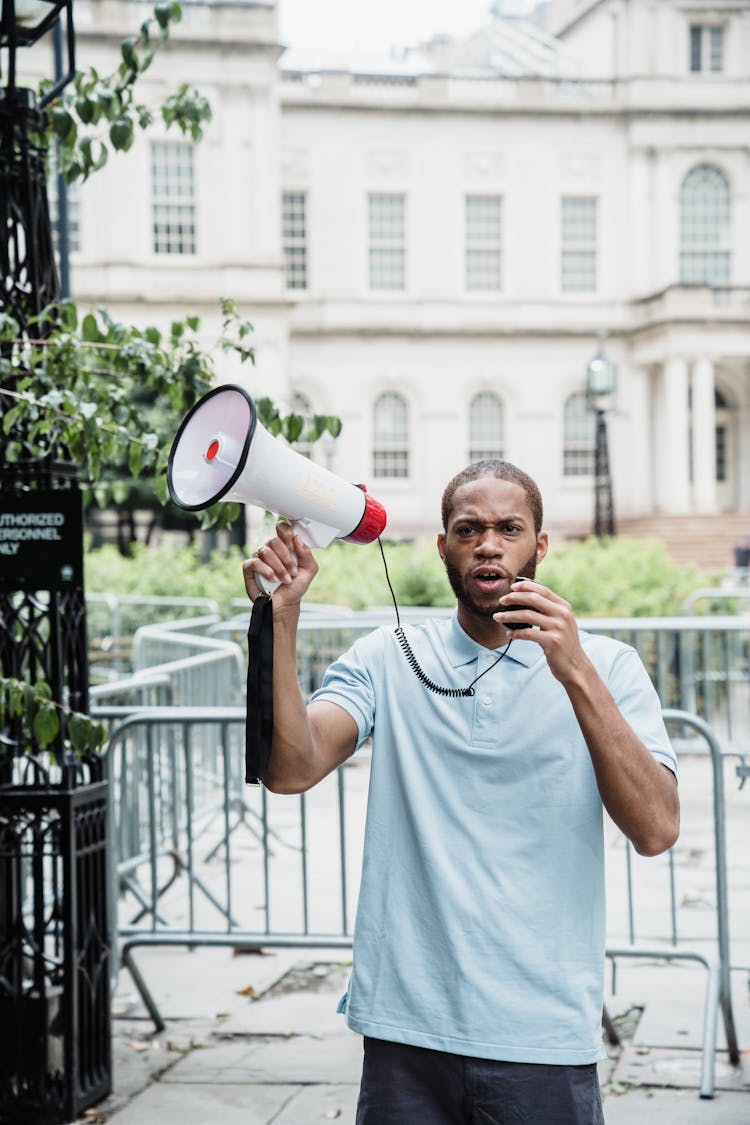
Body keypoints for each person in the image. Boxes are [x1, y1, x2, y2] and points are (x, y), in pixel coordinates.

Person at [243, 460, 680, 1125]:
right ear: (443, 546)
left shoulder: (607, 664)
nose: (488, 542)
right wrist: (280, 618)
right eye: (468, 528)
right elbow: (291, 769)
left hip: (543, 1032)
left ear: (540, 545)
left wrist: (574, 671)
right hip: (406, 1031)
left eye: (510, 527)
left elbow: (655, 828)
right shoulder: (387, 654)